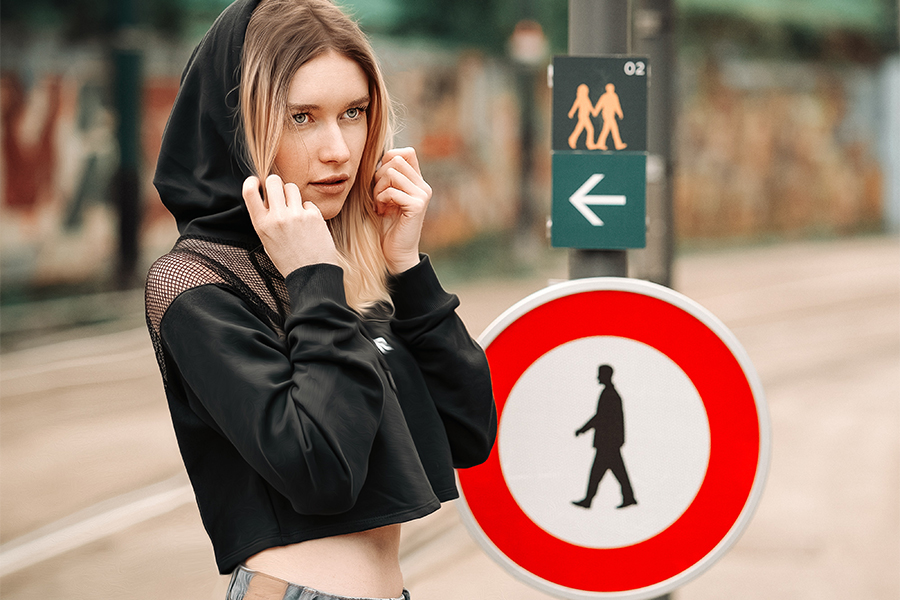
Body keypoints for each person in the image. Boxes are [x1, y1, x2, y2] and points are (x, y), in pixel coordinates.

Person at [144, 1, 497, 598]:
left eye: (353, 113)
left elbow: (470, 432)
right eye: (301, 117)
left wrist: (406, 268)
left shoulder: (339, 262)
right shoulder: (195, 284)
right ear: (239, 127)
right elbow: (321, 470)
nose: (338, 149)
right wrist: (314, 278)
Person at [572, 364, 636, 510]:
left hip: (607, 442)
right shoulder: (610, 393)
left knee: (598, 473)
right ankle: (628, 497)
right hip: (610, 442)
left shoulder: (609, 394)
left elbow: (600, 417)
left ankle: (589, 500)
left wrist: (582, 429)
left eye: (600, 374)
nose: (597, 377)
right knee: (616, 472)